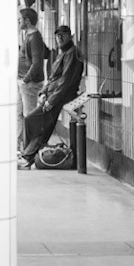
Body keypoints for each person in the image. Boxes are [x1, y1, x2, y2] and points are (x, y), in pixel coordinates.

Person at [18, 25, 85, 169]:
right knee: (33, 122)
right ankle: (27, 154)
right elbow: (53, 79)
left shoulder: (72, 53)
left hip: (61, 97)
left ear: (70, 36)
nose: (60, 38)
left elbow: (65, 81)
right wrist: (43, 93)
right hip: (52, 95)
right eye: (57, 36)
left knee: (38, 124)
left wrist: (51, 101)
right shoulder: (63, 53)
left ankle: (27, 156)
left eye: (63, 35)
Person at [17, 9, 47, 119]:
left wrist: (25, 80)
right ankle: (20, 137)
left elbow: (36, 64)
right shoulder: (28, 35)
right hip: (23, 81)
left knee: (30, 116)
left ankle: (32, 137)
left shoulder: (34, 38)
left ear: (27, 21)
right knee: (19, 115)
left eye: (20, 19)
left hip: (30, 83)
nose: (18, 21)